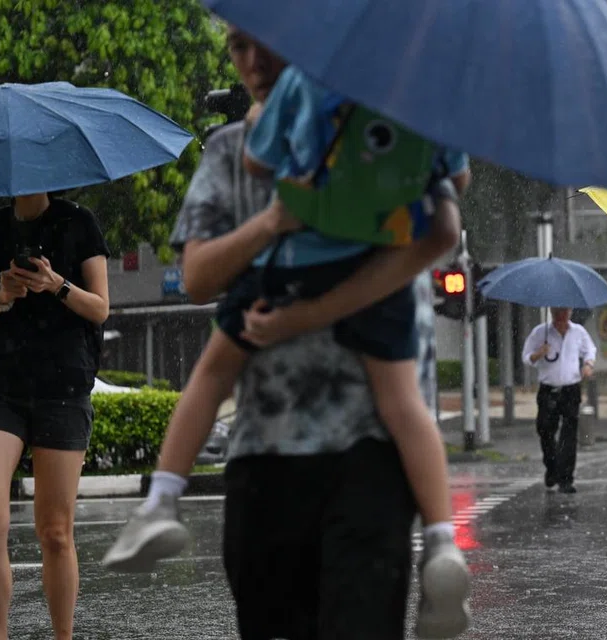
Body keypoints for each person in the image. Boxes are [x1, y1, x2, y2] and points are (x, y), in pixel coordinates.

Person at [104, 25, 472, 640]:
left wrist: (302, 294)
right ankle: (441, 541)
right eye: (238, 46)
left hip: (368, 454)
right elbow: (197, 276)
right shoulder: (405, 111)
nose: (254, 61)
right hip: (268, 452)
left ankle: (161, 499)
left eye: (268, 41)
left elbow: (440, 226)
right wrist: (274, 220)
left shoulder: (330, 104)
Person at [0, 193, 110, 640]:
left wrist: (57, 284)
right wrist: (0, 297)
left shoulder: (79, 222)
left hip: (63, 385)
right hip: (0, 386)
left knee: (55, 531)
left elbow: (101, 308)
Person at [521, 307, 597, 494]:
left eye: (564, 312)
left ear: (570, 312)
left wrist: (588, 364)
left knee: (569, 434)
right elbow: (526, 357)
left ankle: (566, 478)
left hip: (571, 388)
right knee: (545, 429)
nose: (561, 317)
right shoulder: (540, 332)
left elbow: (590, 350)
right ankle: (552, 466)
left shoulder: (578, 332)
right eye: (557, 313)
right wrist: (538, 353)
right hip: (548, 389)